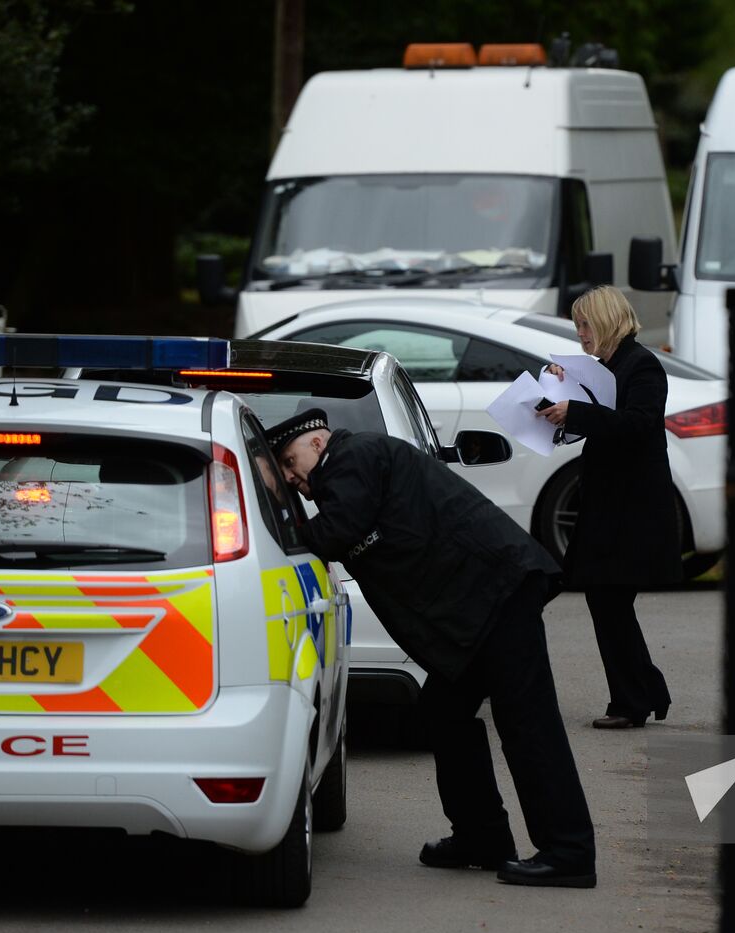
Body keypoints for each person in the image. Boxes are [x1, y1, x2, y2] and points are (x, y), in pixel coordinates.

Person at [266, 407, 597, 889]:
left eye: (291, 463)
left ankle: (569, 852)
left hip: (496, 595)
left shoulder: (351, 456)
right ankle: (481, 837)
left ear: (317, 444)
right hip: (479, 607)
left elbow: (337, 529)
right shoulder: (352, 463)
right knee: (443, 710)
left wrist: (276, 524)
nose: (294, 478)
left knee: (528, 724)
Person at [538, 285, 681, 730]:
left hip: (632, 510)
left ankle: (631, 702)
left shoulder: (642, 365)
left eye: (585, 324)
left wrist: (575, 412)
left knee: (609, 600)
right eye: (577, 325)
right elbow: (602, 417)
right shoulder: (609, 366)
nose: (580, 334)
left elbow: (638, 423)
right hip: (609, 506)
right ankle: (645, 691)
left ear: (605, 321)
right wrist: (556, 391)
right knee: (607, 601)